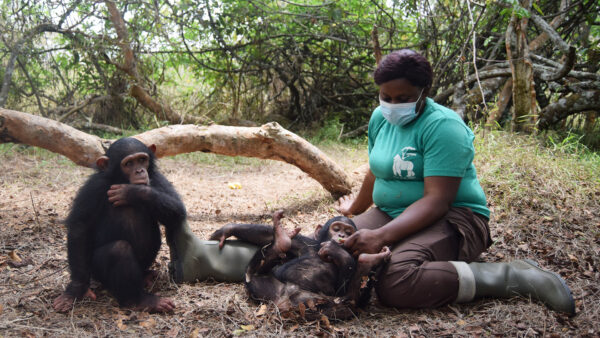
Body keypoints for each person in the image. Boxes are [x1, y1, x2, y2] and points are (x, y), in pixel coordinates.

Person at [335, 49, 575, 314]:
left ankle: (509, 276)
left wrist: (381, 236)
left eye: (403, 98)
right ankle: (402, 248)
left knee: (395, 281)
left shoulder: (443, 126)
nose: (392, 104)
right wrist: (354, 210)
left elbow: (438, 200)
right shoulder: (380, 119)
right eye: (386, 97)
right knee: (332, 244)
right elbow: (376, 170)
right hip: (390, 213)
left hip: (454, 218)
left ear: (424, 91)